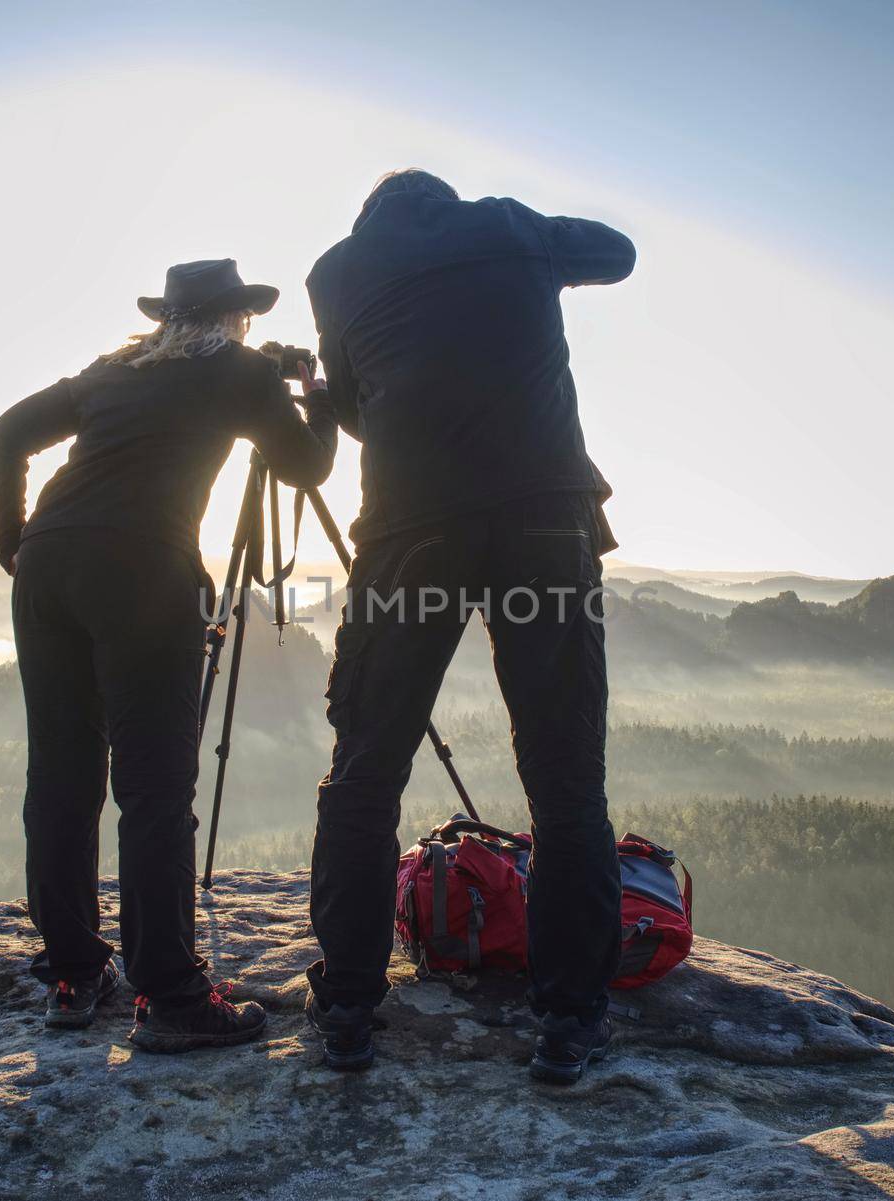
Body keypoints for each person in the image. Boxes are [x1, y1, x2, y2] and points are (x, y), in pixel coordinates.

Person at [302, 170, 636, 1082]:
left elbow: (352, 411)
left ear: (368, 217)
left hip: (412, 532)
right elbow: (620, 253)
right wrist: (530, 251)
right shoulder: (512, 227)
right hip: (544, 522)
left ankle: (348, 1009)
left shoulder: (336, 274)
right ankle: (570, 1020)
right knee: (568, 782)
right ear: (445, 205)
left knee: (366, 772)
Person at [0, 258, 336, 1052]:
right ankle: (170, 994)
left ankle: (74, 973)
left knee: (64, 772)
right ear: (235, 319)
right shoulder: (242, 374)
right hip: (143, 573)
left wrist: (16, 542)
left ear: (170, 318)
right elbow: (307, 464)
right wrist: (313, 395)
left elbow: (6, 433)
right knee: (153, 788)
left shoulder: (116, 367)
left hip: (49, 567)